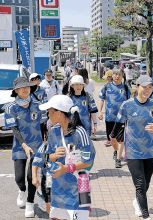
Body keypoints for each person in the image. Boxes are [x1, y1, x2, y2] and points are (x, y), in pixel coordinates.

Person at [112, 75, 153, 219]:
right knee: (140, 184)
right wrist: (113, 140)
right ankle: (146, 215)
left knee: (145, 184)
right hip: (133, 152)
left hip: (151, 153)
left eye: (150, 87)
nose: (147, 90)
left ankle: (137, 202)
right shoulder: (127, 105)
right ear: (137, 87)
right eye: (144, 87)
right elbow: (118, 124)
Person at [40, 95, 96, 220]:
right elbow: (47, 157)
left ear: (59, 113)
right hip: (58, 188)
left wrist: (65, 168)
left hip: (79, 187)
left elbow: (88, 162)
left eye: (49, 112)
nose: (48, 116)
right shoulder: (53, 131)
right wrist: (53, 156)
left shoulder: (80, 133)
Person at [4, 77, 44, 218]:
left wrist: (46, 142)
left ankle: (30, 203)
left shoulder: (38, 105)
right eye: (21, 87)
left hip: (37, 146)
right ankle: (22, 190)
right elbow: (14, 129)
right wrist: (24, 145)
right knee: (19, 178)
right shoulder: (10, 108)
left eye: (27, 86)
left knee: (30, 176)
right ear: (15, 90)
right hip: (20, 146)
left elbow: (43, 124)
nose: (25, 89)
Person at [98, 68, 131, 168]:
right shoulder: (107, 86)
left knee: (120, 140)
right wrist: (100, 111)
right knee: (112, 138)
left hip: (121, 118)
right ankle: (115, 151)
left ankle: (118, 159)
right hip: (109, 117)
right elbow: (101, 99)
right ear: (112, 76)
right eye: (115, 74)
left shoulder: (125, 87)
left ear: (122, 76)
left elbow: (130, 102)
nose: (117, 76)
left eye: (119, 74)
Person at [29, 73, 48, 140]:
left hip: (41, 116)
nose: (37, 81)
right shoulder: (27, 90)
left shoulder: (42, 90)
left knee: (42, 135)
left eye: (38, 79)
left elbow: (45, 101)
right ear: (30, 81)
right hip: (31, 117)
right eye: (35, 79)